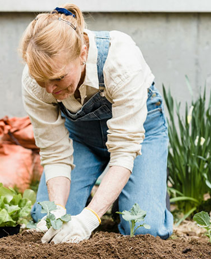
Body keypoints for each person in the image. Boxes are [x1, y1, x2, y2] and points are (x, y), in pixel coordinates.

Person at [19, 4, 173, 244]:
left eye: (58, 78)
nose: (50, 89)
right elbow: (55, 153)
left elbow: (123, 151)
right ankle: (110, 194)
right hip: (82, 139)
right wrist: (59, 212)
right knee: (46, 218)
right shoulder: (34, 80)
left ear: (82, 53)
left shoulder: (120, 61)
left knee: (144, 229)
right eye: (42, 80)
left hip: (140, 137)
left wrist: (89, 219)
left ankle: (136, 193)